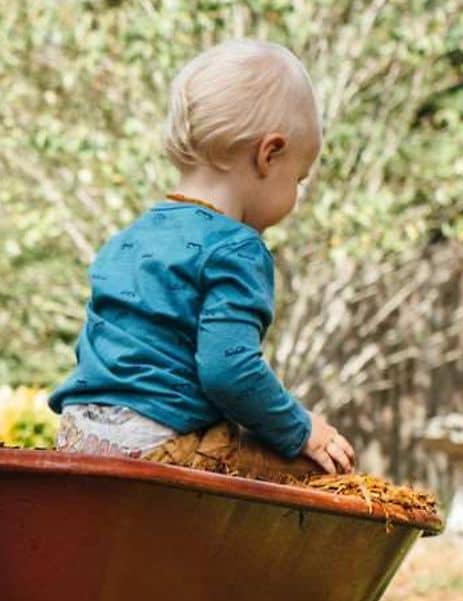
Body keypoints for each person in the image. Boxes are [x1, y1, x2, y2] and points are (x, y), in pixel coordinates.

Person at [48, 39, 356, 481]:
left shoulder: (129, 239)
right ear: (269, 155)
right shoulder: (236, 247)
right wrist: (304, 431)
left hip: (78, 439)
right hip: (158, 448)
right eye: (298, 179)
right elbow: (229, 371)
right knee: (316, 475)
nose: (297, 196)